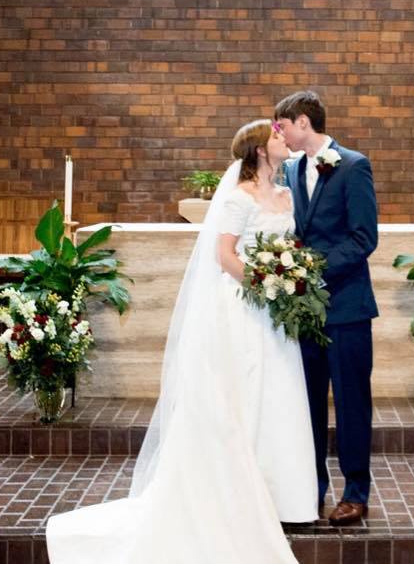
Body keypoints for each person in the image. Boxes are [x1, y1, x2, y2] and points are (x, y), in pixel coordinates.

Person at [46, 120, 318, 563]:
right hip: (245, 304)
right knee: (240, 391)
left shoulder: (287, 195)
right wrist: (267, 280)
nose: (283, 140)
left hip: (275, 312)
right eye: (275, 137)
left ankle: (282, 496)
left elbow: (290, 246)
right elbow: (224, 255)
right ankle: (233, 494)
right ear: (258, 151)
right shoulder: (237, 198)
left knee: (279, 391)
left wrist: (289, 278)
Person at [274, 90, 378, 526]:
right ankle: (310, 488)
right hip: (304, 313)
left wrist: (310, 272)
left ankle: (355, 492)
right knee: (308, 404)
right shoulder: (291, 169)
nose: (277, 132)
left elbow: (363, 238)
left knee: (351, 401)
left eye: (281, 125)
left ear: (302, 122)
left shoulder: (354, 165)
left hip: (347, 307)